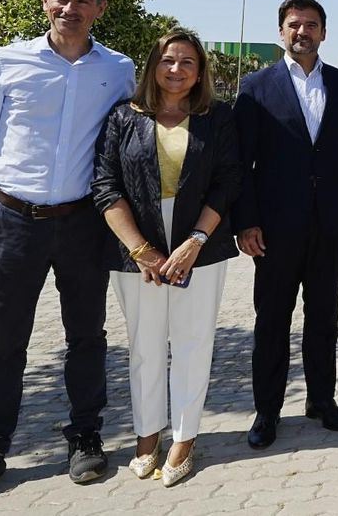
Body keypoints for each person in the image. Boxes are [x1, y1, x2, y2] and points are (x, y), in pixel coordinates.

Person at [0, 0, 135, 514]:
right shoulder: (5, 61)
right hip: (15, 221)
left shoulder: (118, 70)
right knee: (3, 343)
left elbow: (127, 142)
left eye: (83, 1)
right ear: (46, 2)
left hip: (83, 226)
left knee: (87, 337)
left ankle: (86, 436)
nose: (70, 8)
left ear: (100, 9)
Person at [91, 28, 241, 486]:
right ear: (153, 65)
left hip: (202, 244)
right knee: (145, 346)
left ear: (200, 73)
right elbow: (105, 185)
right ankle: (146, 434)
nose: (176, 70)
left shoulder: (218, 118)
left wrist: (195, 241)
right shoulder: (123, 117)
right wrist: (141, 249)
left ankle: (184, 437)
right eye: (168, 60)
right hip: (136, 248)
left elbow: (228, 182)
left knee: (193, 344)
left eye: (188, 63)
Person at [234, 0, 338, 449]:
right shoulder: (255, 87)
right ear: (282, 32)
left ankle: (321, 400)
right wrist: (246, 222)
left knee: (323, 315)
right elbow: (242, 162)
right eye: (294, 24)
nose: (302, 32)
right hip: (273, 228)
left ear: (324, 32)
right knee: (272, 319)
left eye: (311, 25)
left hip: (329, 224)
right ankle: (266, 412)